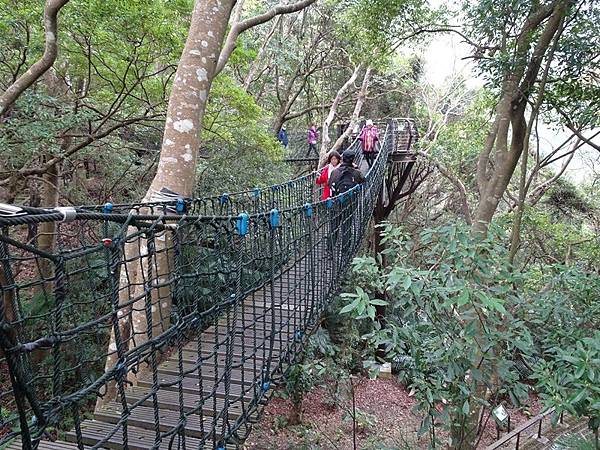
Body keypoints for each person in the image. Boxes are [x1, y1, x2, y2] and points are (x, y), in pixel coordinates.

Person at [327, 150, 365, 258]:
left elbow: (330, 184)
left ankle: (330, 251)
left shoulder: (335, 172)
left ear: (342, 159)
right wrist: (356, 168)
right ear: (353, 160)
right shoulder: (356, 173)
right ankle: (345, 252)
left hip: (335, 203)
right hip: (350, 204)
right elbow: (363, 180)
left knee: (333, 227)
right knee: (347, 227)